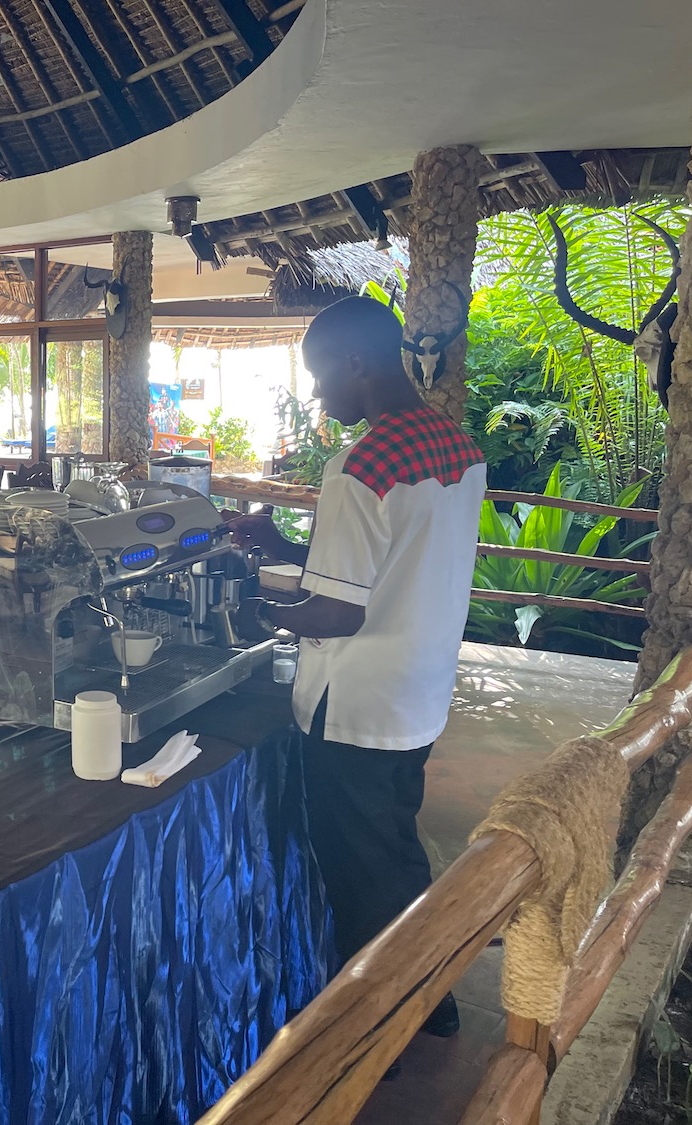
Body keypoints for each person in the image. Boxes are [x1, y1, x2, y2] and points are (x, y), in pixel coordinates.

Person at [230, 296, 485, 1042]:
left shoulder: (361, 464)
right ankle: (432, 1000)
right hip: (420, 696)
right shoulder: (456, 447)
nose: (317, 395)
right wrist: (279, 542)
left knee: (358, 880)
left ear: (356, 364)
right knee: (397, 854)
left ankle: (376, 1038)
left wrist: (260, 613)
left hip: (355, 710)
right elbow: (383, 568)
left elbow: (339, 612)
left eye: (319, 377)